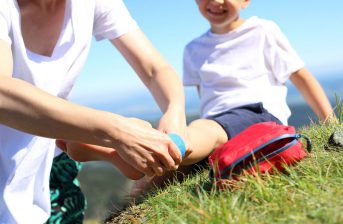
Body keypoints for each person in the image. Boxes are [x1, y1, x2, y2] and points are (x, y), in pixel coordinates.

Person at [60, 0, 335, 199]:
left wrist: (330, 122)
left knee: (195, 137)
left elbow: (302, 78)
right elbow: (208, 100)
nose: (215, 2)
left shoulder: (263, 31)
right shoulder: (193, 49)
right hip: (216, 121)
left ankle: (137, 138)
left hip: (258, 115)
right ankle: (129, 155)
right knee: (149, 186)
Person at [0, 0, 188, 223]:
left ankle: (79, 143)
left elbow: (154, 69)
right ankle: (83, 142)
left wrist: (174, 111)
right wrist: (118, 132)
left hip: (51, 164)